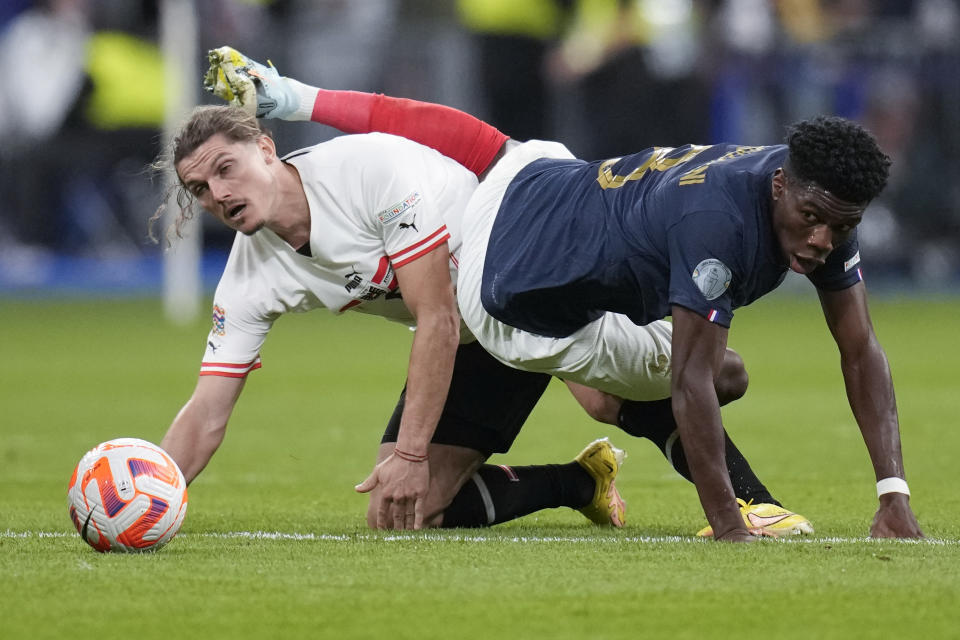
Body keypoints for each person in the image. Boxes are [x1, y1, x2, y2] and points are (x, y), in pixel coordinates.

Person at [199, 46, 821, 538]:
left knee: (615, 395)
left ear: (265, 148)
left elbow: (439, 131)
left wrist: (297, 95)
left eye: (226, 169)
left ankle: (753, 500)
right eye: (199, 189)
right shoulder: (260, 254)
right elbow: (209, 408)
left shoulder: (362, 168)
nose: (218, 195)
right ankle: (581, 483)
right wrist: (160, 487)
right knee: (406, 515)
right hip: (472, 324)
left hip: (530, 254)